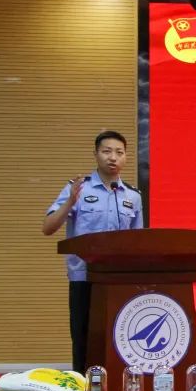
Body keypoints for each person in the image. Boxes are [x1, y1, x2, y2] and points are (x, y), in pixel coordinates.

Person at [43, 130, 144, 374]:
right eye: (107, 151)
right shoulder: (78, 189)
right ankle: (82, 386)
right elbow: (48, 228)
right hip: (84, 278)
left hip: (119, 281)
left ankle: (118, 386)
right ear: (96, 154)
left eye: (119, 152)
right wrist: (70, 202)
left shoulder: (133, 196)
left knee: (120, 338)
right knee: (83, 339)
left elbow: (138, 242)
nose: (113, 157)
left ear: (126, 157)